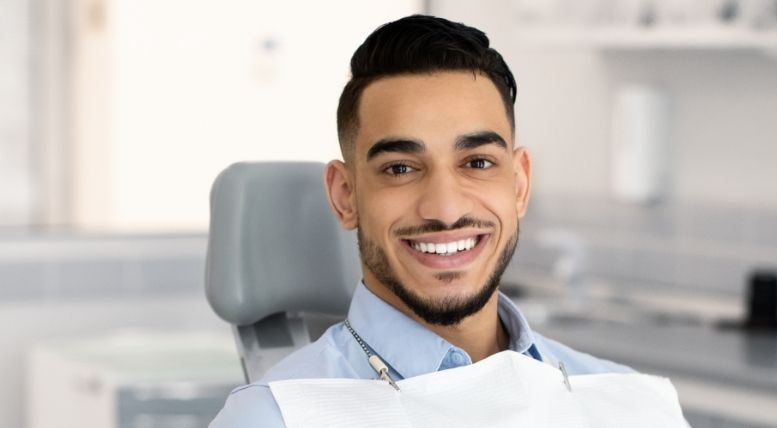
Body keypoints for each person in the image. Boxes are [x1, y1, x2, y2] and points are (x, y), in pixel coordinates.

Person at [208, 14, 633, 427]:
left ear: (519, 185)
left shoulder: (625, 402)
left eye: (478, 162)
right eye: (400, 169)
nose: (445, 210)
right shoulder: (271, 419)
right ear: (345, 197)